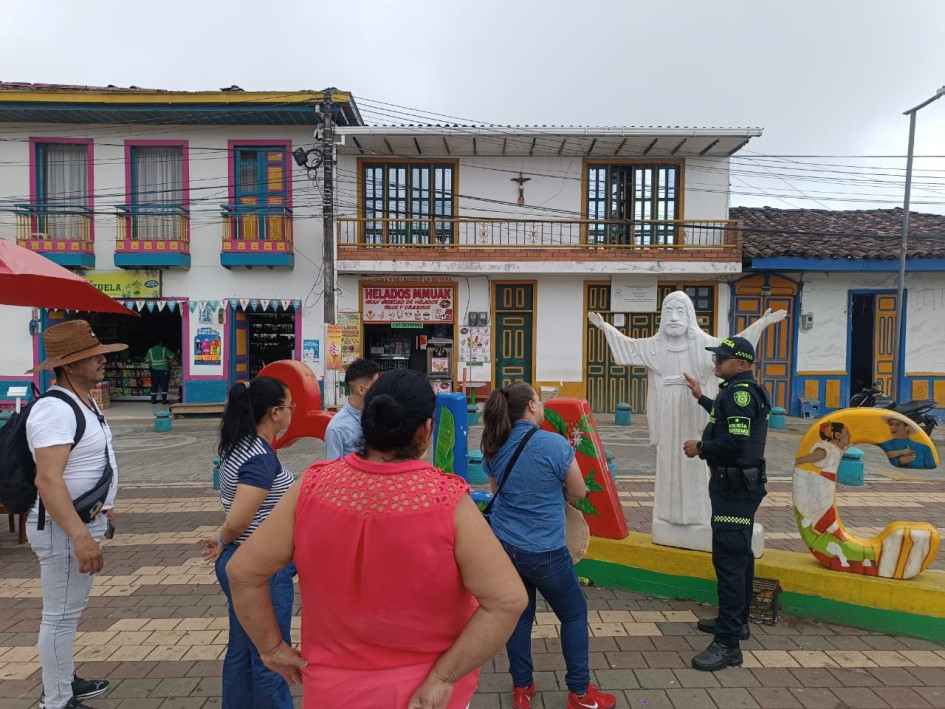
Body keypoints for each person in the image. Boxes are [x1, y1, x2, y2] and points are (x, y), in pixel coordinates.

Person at [224, 368, 526, 708]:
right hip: (425, 695)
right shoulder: (446, 500)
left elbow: (242, 572)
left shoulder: (310, 488)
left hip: (330, 691)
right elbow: (508, 600)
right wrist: (445, 677)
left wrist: (272, 648)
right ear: (426, 431)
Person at [588, 294, 784, 552]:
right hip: (668, 411)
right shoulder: (654, 346)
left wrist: (760, 324)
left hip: (693, 414)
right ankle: (670, 515)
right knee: (669, 458)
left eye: (679, 311)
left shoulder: (704, 344)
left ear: (690, 315)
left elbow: (738, 348)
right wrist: (605, 327)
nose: (673, 317)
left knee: (694, 465)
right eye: (668, 311)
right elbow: (628, 346)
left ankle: (696, 514)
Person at [481, 382, 616, 709]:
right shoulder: (553, 444)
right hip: (545, 550)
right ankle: (580, 693)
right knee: (573, 614)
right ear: (530, 407)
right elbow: (579, 492)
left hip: (505, 546)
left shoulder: (493, 443)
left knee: (520, 616)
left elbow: (497, 490)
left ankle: (521, 688)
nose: (541, 406)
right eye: (539, 401)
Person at [25, 320, 125, 709]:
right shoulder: (54, 410)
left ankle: (64, 680)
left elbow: (91, 461)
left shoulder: (83, 400)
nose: (101, 360)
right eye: (91, 356)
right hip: (63, 529)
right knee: (60, 616)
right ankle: (57, 700)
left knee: (68, 611)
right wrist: (80, 536)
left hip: (80, 522)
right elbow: (48, 480)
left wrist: (107, 506)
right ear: (68, 365)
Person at [200, 377, 296, 709]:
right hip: (261, 569)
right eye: (290, 407)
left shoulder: (238, 445)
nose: (291, 413)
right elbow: (241, 517)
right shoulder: (259, 456)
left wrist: (225, 540)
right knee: (272, 654)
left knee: (243, 648)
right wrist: (223, 538)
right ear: (275, 413)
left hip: (243, 562)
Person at [683, 336, 770, 672]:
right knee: (740, 555)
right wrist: (701, 397)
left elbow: (735, 440)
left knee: (730, 561)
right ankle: (738, 622)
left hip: (735, 490)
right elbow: (726, 418)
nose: (716, 362)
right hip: (737, 487)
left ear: (743, 363)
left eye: (723, 358)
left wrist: (700, 448)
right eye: (717, 357)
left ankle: (728, 644)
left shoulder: (741, 393)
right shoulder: (736, 391)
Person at [324, 357, 380, 459]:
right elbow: (334, 470)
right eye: (376, 386)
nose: (380, 391)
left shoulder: (380, 415)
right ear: (361, 389)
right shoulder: (337, 429)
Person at [145, 340, 175, 405]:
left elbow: (147, 360)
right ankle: (164, 400)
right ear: (160, 343)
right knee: (164, 385)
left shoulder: (150, 350)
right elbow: (172, 356)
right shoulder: (164, 349)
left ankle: (153, 400)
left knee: (154, 385)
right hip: (164, 371)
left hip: (154, 371)